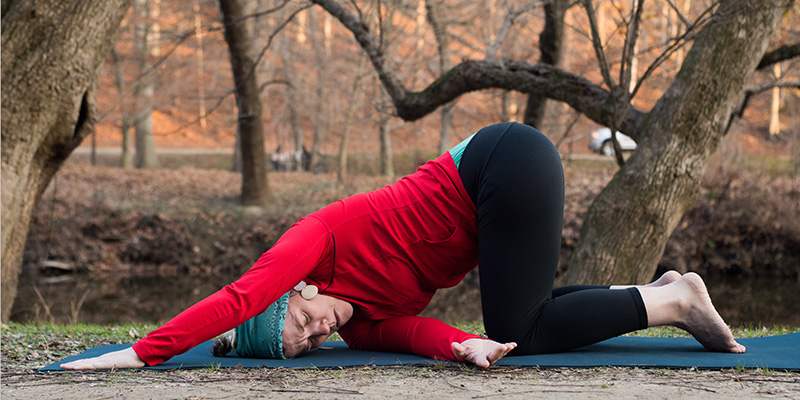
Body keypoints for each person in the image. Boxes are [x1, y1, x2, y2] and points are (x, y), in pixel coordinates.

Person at [62, 122, 744, 370]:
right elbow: (417, 333)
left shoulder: (314, 240)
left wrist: (140, 353)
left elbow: (241, 295)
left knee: (524, 330)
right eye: (309, 343)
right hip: (500, 185)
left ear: (295, 291)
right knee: (518, 323)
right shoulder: (359, 332)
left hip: (503, 159)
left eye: (303, 319)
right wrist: (462, 345)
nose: (320, 328)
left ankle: (675, 302)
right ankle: (658, 293)